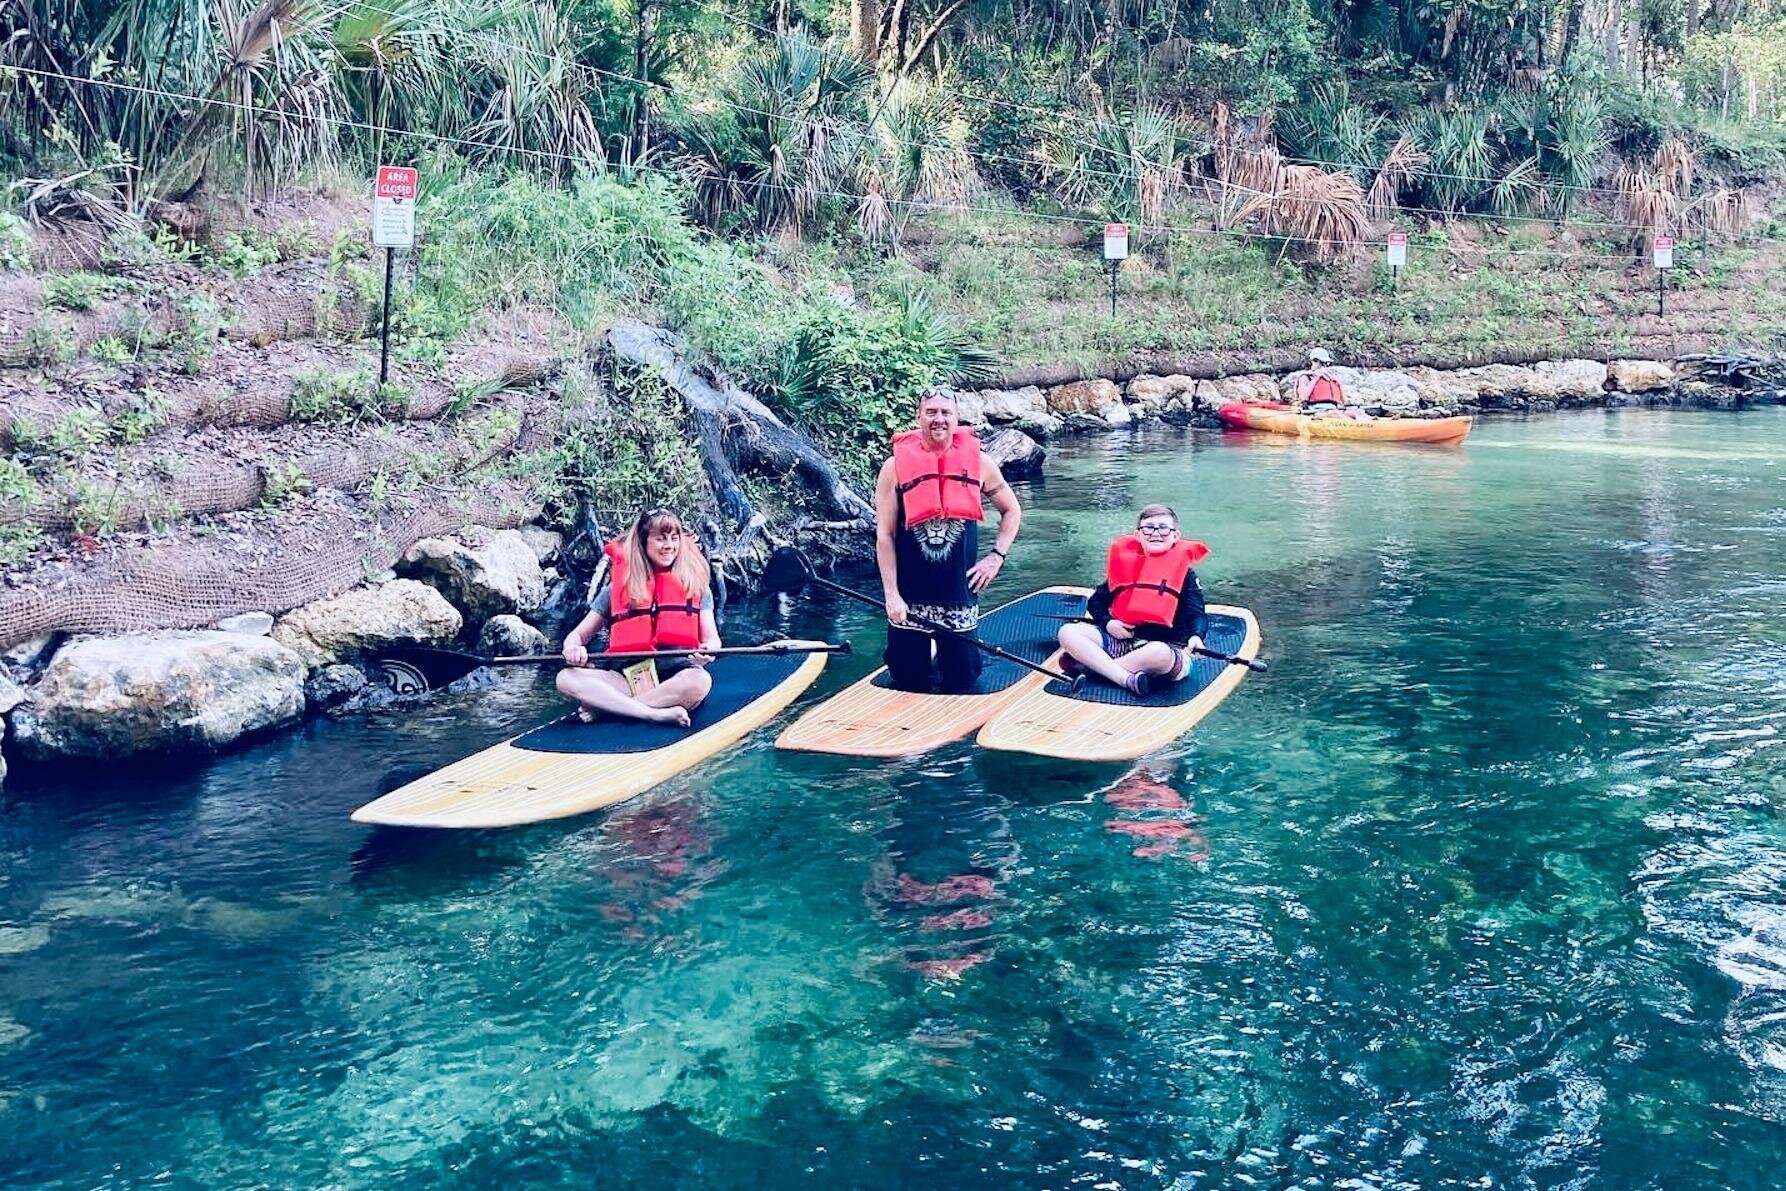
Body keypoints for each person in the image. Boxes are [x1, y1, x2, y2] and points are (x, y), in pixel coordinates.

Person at [875, 388, 1021, 692]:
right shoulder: (893, 468)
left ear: (957, 418)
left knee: (963, 679)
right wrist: (891, 595)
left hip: (959, 593)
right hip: (909, 595)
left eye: (945, 413)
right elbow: (885, 536)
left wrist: (996, 556)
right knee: (906, 679)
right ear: (919, 417)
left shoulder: (980, 463)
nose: (938, 419)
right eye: (931, 412)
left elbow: (1012, 510)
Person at [557, 508, 720, 728]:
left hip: (675, 679)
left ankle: (608, 710)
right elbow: (577, 635)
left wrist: (708, 651)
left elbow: (713, 640)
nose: (669, 546)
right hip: (626, 680)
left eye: (674, 538)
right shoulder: (616, 589)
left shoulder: (696, 586)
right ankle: (652, 713)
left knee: (700, 681)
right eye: (660, 539)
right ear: (643, 543)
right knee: (566, 678)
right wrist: (572, 648)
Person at [1057, 503, 1209, 697]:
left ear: (1175, 536)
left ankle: (1091, 669)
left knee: (1158, 652)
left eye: (1163, 528)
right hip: (1125, 643)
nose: (1156, 533)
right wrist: (1109, 623)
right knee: (1067, 631)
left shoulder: (1186, 574)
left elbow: (1197, 613)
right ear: (1138, 535)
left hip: (1167, 649)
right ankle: (1124, 678)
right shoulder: (1127, 567)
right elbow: (1096, 602)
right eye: (1148, 528)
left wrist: (1197, 636)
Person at [1293, 347, 1368, 420]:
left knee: (1355, 412)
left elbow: (1342, 402)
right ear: (1314, 361)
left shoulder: (1330, 378)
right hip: (1314, 411)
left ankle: (1370, 422)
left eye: (1326, 364)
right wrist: (1316, 378)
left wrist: (1338, 384)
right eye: (1322, 363)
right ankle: (1354, 425)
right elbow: (1303, 397)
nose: (1324, 366)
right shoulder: (1305, 377)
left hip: (1332, 409)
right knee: (1334, 413)